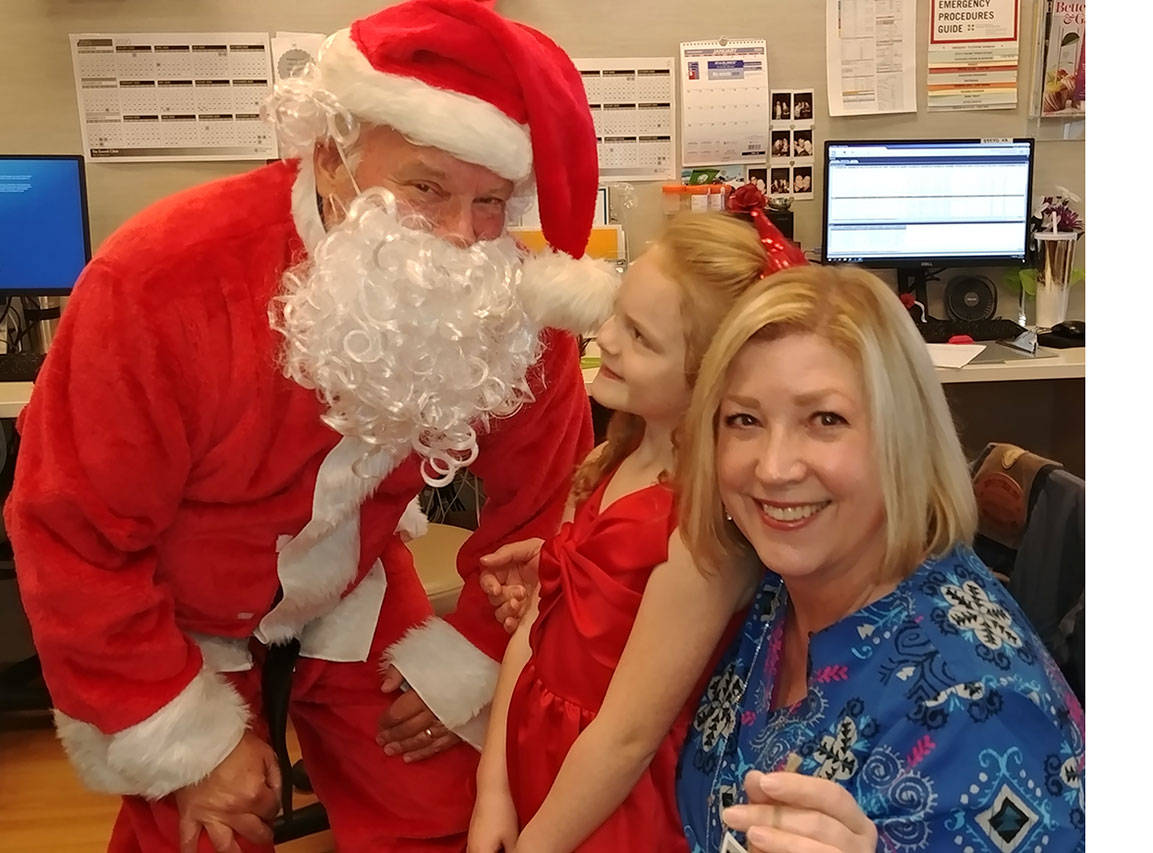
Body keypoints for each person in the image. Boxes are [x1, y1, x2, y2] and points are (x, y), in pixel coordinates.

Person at [4, 1, 617, 850]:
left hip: (357, 582)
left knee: (449, 809)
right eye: (426, 187)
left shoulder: (513, 299)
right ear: (333, 155)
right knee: (201, 830)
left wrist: (469, 657)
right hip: (175, 611)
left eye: (490, 203)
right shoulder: (162, 277)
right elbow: (71, 539)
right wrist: (191, 742)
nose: (458, 236)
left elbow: (548, 505)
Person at [673, 264, 1086, 851]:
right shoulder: (792, 579)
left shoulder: (976, 708)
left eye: (826, 420)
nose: (773, 467)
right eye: (745, 420)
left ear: (903, 437)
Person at [468, 207, 806, 852]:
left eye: (641, 337)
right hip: (540, 761)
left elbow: (626, 737)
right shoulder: (612, 460)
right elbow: (532, 634)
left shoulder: (699, 533)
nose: (607, 337)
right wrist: (495, 789)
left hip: (615, 807)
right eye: (618, 312)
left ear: (713, 379)